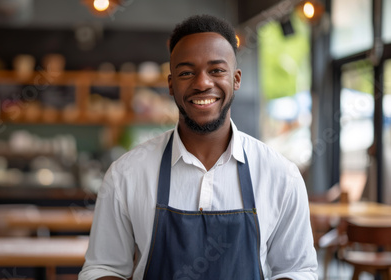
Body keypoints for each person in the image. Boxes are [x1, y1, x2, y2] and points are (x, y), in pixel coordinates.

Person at [79, 14, 318, 280]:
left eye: (216, 70)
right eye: (186, 73)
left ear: (236, 79)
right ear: (171, 85)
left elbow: (297, 271)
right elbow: (103, 268)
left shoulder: (281, 175)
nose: (202, 83)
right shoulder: (126, 174)